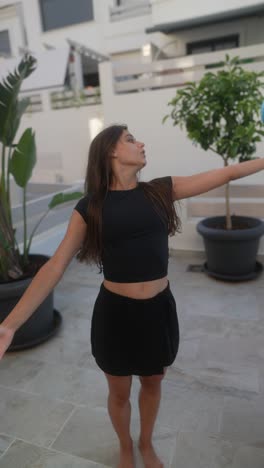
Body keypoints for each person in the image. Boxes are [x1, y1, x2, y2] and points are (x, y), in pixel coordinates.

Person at [0, 124, 264, 468]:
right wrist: (9, 326)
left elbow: (226, 172)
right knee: (120, 391)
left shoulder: (160, 191)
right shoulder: (90, 208)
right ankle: (126, 446)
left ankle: (146, 442)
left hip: (158, 311)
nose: (141, 143)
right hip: (115, 315)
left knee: (153, 383)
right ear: (110, 151)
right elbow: (53, 268)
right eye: (130, 139)